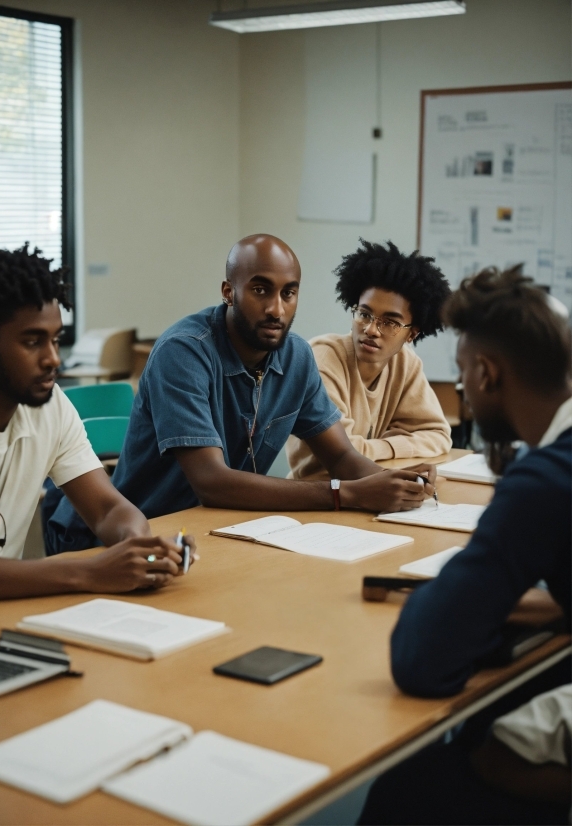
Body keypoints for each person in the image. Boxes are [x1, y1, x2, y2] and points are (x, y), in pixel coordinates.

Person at [358, 265, 571, 825]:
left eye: (462, 378)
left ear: (485, 373)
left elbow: (421, 660)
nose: (465, 395)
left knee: (415, 783)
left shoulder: (547, 481)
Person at [108, 234, 438, 521]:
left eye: (288, 293)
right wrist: (344, 494)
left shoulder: (295, 357)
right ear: (228, 291)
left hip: (225, 526)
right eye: (261, 290)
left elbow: (341, 457)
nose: (276, 309)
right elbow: (212, 482)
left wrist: (395, 483)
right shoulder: (182, 353)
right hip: (146, 529)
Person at [0, 243, 195, 600]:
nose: (52, 359)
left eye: (56, 340)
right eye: (32, 342)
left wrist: (139, 548)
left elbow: (107, 508)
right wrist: (90, 571)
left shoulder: (51, 407)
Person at [287, 240, 452, 480]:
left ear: (412, 334)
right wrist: (395, 443)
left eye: (390, 322)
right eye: (364, 314)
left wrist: (380, 447)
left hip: (369, 484)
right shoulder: (322, 359)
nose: (372, 329)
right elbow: (340, 455)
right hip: (316, 494)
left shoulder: (405, 363)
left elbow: (438, 435)